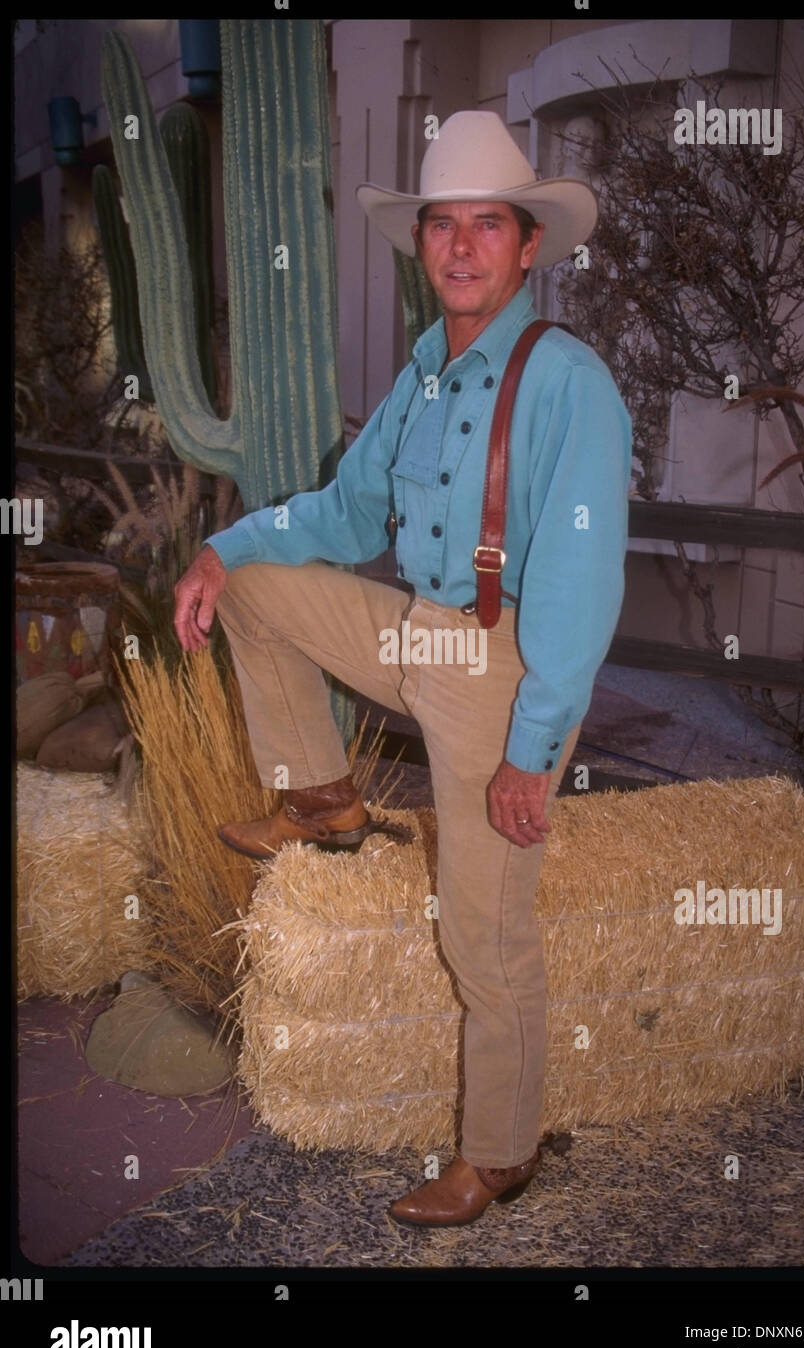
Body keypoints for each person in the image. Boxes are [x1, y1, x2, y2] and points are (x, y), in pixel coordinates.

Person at [173, 110, 632, 1228]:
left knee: (483, 932)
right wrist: (224, 546)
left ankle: (501, 1152)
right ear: (419, 242)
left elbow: (578, 587)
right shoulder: (423, 374)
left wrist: (533, 753)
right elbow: (344, 510)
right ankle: (325, 798)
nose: (463, 245)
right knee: (261, 595)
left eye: (489, 224)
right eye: (443, 224)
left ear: (528, 247)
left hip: (505, 665)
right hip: (423, 632)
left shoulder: (570, 384)